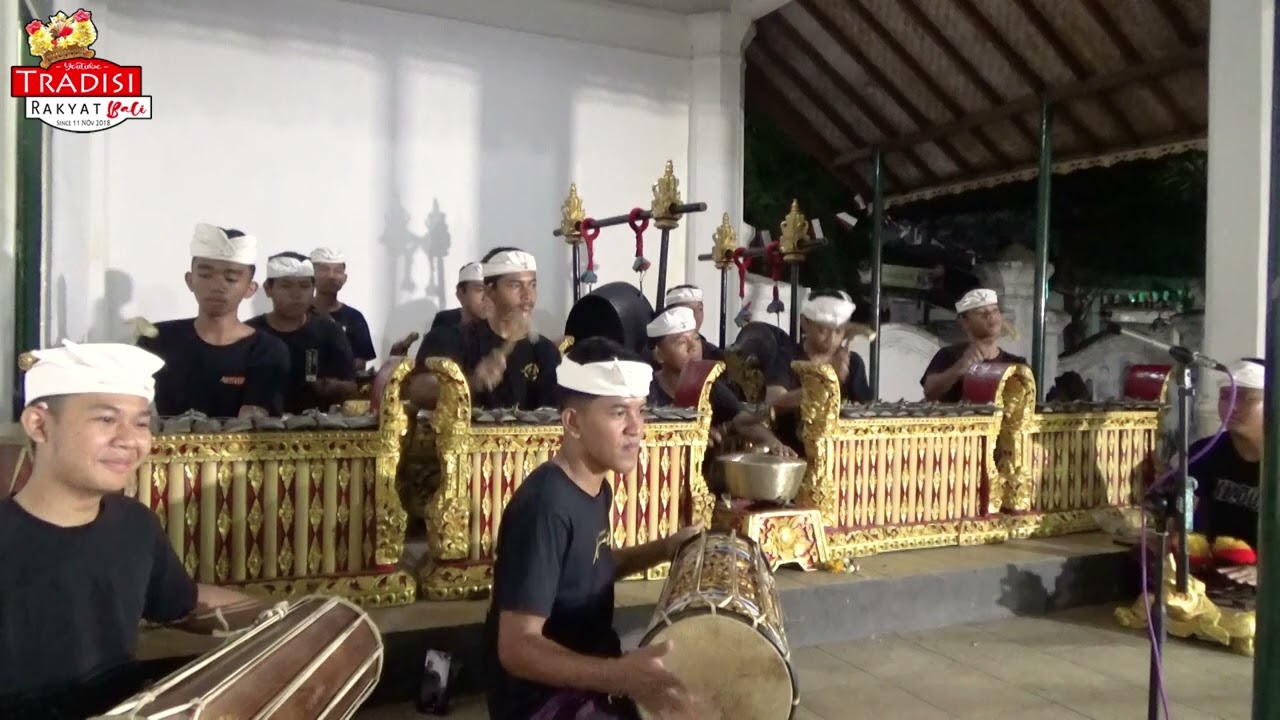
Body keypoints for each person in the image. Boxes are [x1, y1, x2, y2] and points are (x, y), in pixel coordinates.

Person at [0, 341, 256, 718]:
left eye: (140, 423)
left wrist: (290, 615)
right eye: (106, 419)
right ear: (39, 424)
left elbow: (181, 602)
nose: (130, 440)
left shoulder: (134, 524)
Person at [484, 337, 702, 720]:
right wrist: (620, 676)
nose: (637, 429)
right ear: (573, 422)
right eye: (619, 412)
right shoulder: (545, 506)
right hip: (545, 702)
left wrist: (666, 548)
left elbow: (587, 567)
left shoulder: (595, 485)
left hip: (591, 672)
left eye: (640, 411)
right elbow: (517, 647)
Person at [139, 223, 290, 419]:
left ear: (250, 288)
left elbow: (254, 427)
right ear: (190, 280)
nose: (217, 285)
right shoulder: (156, 340)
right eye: (205, 275)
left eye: (231, 278)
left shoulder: (267, 350)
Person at [411, 248, 561, 410]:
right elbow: (417, 393)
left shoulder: (544, 350)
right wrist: (471, 382)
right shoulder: (451, 339)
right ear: (490, 291)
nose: (527, 295)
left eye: (532, 285)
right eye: (516, 285)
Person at [646, 305, 794, 458]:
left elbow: (741, 420)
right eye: (681, 342)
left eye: (696, 339)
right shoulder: (645, 389)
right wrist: (689, 434)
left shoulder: (709, 385)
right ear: (659, 354)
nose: (693, 347)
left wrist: (773, 442)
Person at [248, 253, 358, 414]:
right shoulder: (250, 333)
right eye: (286, 286)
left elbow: (351, 387)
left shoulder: (331, 333)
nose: (296, 294)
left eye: (304, 286)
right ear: (268, 289)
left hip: (319, 430)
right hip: (257, 430)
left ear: (313, 289)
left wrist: (331, 388)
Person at [1189, 359, 1264, 586]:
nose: (1232, 404)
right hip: (1218, 570)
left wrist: (1266, 572)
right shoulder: (1204, 452)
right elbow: (1184, 516)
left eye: (1245, 397)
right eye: (1225, 396)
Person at [765, 289, 872, 411]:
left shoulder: (853, 362)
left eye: (838, 331)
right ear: (804, 322)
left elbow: (865, 409)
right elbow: (774, 401)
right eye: (823, 330)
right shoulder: (787, 356)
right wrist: (830, 380)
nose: (831, 340)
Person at [921, 288, 1026, 403]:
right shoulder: (948, 356)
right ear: (964, 322)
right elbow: (930, 393)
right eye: (981, 312)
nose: (990, 315)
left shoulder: (1016, 364)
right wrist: (959, 368)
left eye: (995, 310)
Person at [310, 247, 377, 371]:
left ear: (345, 278)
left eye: (337, 271)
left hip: (341, 387)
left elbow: (360, 364)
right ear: (311, 276)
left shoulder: (354, 317)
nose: (331, 276)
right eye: (324, 270)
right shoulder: (299, 313)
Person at [663, 284, 723, 362]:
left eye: (700, 309)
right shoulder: (660, 350)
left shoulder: (714, 355)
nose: (696, 315)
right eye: (688, 310)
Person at [430, 261, 491, 330]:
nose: (487, 297)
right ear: (461, 293)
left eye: (490, 290)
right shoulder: (445, 320)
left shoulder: (497, 327)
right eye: (480, 290)